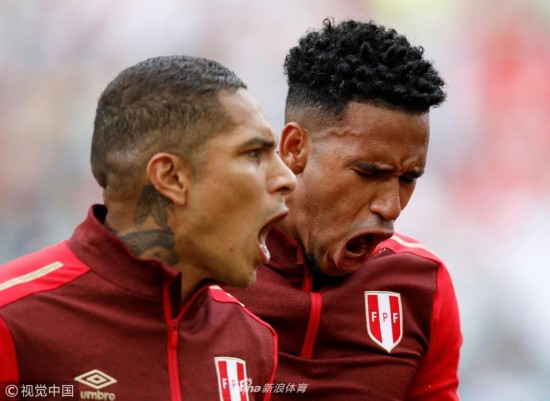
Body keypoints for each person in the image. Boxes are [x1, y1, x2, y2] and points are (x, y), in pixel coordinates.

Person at [0, 55, 296, 401]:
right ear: (171, 177)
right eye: (255, 154)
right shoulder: (12, 319)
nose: (287, 178)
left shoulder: (250, 341)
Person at [226, 19, 462, 400]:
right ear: (295, 149)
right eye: (369, 172)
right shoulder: (198, 266)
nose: (391, 207)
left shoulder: (423, 287)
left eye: (408, 178)